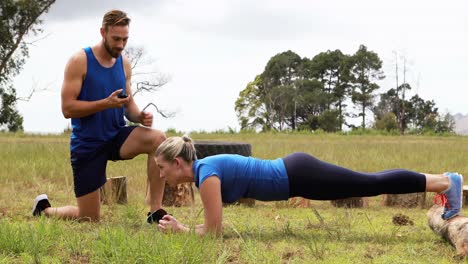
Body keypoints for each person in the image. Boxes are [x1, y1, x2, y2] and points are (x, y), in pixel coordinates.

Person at [154, 135, 463, 237]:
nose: (160, 174)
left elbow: (213, 233)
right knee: (370, 182)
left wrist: (181, 229)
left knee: (371, 182)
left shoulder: (206, 176)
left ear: (178, 163)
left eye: (161, 167)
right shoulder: (204, 173)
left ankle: (446, 181)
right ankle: (442, 181)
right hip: (296, 177)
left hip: (298, 174)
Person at [31, 10, 167, 222]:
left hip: (116, 136)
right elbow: (67, 108)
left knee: (158, 139)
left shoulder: (124, 63)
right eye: (116, 39)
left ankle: (155, 211)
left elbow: (127, 103)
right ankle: (44, 210)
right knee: (89, 218)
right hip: (88, 144)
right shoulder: (79, 61)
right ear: (103, 32)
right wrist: (105, 103)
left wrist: (139, 116)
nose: (121, 45)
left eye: (125, 39)